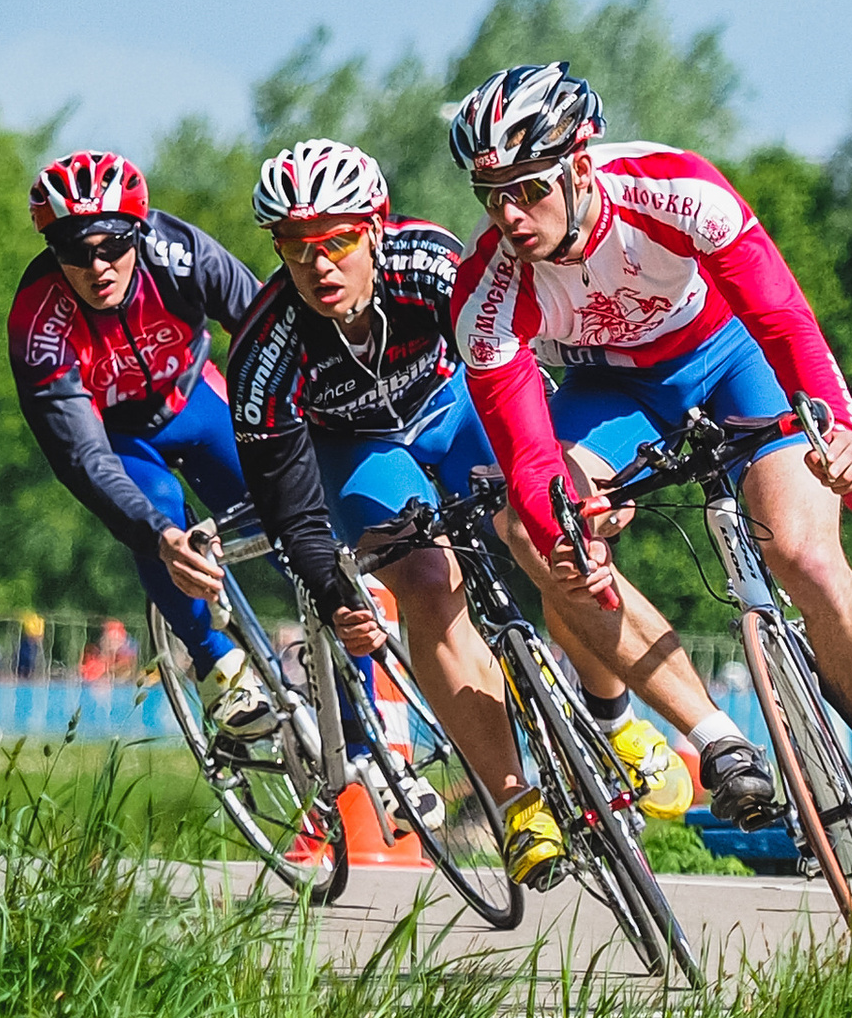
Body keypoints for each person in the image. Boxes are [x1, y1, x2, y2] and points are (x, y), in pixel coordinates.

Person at [447, 61, 852, 896]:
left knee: (805, 555)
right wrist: (568, 533)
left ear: (581, 166)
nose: (510, 216)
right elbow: (530, 456)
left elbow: (784, 321)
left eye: (528, 190)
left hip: (729, 359)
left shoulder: (674, 189)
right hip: (611, 392)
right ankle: (712, 740)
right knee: (534, 533)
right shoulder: (486, 292)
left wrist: (842, 434)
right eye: (491, 197)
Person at [181, 139, 665, 891]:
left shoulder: (429, 263)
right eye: (295, 246)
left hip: (456, 404)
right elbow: (292, 514)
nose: (318, 263)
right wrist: (338, 598)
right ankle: (517, 806)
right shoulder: (265, 350)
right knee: (427, 583)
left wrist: (559, 477)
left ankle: (613, 716)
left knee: (550, 529)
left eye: (337, 241)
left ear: (375, 229)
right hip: (359, 447)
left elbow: (511, 357)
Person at [7, 150, 271, 734]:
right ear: (53, 251)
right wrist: (160, 537)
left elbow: (268, 330)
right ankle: (216, 666)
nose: (98, 267)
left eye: (113, 246)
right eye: (76, 251)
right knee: (158, 514)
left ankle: (363, 727)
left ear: (138, 231)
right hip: (117, 437)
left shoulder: (179, 253)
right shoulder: (38, 321)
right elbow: (84, 458)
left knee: (293, 513)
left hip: (196, 400)